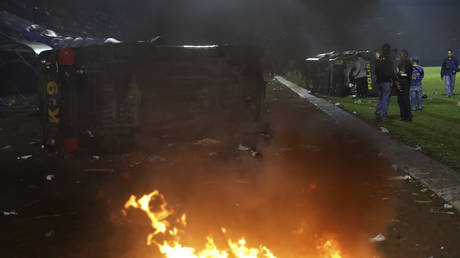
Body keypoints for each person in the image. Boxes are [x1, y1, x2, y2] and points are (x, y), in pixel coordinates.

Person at [374, 43, 395, 121]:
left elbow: (376, 71)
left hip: (379, 81)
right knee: (385, 99)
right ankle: (384, 116)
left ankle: (377, 114)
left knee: (380, 98)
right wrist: (393, 80)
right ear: (388, 51)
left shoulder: (378, 59)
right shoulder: (388, 59)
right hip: (386, 81)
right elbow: (391, 72)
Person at [396, 49, 413, 121]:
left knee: (405, 99)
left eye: (401, 54)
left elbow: (408, 74)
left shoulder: (408, 63)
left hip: (406, 82)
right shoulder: (400, 63)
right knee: (400, 100)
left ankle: (408, 116)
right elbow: (400, 72)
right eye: (399, 54)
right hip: (400, 82)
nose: (400, 56)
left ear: (405, 55)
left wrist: (399, 74)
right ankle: (402, 116)